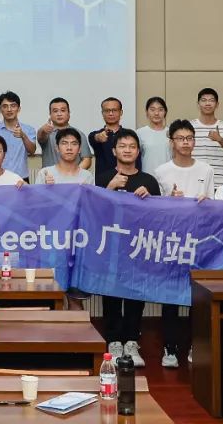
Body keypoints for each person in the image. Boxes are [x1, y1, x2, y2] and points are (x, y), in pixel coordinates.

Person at [152, 119, 215, 370]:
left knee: (196, 297)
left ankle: (193, 345)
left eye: (189, 138)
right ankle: (169, 347)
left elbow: (213, 206)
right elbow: (155, 210)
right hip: (172, 240)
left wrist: (205, 202)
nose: (185, 143)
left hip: (199, 240)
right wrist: (170, 200)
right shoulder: (161, 171)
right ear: (172, 142)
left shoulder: (206, 170)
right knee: (170, 296)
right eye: (180, 138)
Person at [95, 129, 160, 368]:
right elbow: (94, 211)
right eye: (122, 146)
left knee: (135, 294)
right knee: (111, 294)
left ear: (138, 151)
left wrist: (149, 199)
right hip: (111, 245)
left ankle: (132, 341)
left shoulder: (149, 180)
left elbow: (160, 216)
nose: (127, 150)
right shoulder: (102, 178)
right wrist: (110, 187)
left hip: (138, 245)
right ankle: (113, 341)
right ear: (114, 151)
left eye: (132, 146)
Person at [190, 88, 223, 192]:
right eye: (204, 100)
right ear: (198, 104)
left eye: (211, 100)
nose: (207, 103)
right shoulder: (189, 127)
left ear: (217, 104)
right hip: (194, 183)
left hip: (220, 185)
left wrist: (220, 140)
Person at [0, 91, 36, 182]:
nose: (9, 109)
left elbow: (32, 151)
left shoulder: (28, 130)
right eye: (5, 106)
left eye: (13, 106)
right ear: (0, 109)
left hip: (21, 179)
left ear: (19, 109)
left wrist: (23, 136)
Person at [38, 97, 94, 171]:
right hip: (49, 177)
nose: (59, 114)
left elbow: (87, 160)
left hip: (73, 177)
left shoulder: (79, 134)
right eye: (55, 111)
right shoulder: (46, 133)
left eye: (63, 110)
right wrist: (42, 130)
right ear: (50, 114)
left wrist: (73, 174)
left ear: (69, 113)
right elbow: (40, 137)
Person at [89, 97, 139, 177]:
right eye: (107, 111)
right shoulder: (95, 134)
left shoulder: (130, 135)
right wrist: (99, 137)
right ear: (102, 113)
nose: (111, 113)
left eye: (114, 110)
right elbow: (95, 138)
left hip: (128, 180)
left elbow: (137, 160)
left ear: (121, 112)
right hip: (103, 181)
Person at [136, 96, 171, 176]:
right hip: (147, 177)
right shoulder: (140, 133)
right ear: (147, 112)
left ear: (165, 112)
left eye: (160, 110)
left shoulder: (171, 133)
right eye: (152, 110)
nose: (156, 113)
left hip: (168, 176)